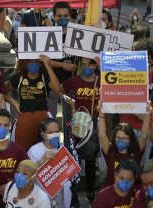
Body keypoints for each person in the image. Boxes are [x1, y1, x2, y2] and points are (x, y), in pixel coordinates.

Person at [60, 57, 100, 201]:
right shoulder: (75, 80)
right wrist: (70, 102)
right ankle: (73, 193)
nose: (85, 67)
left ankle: (90, 193)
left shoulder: (102, 81)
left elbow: (114, 89)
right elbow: (58, 89)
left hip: (94, 125)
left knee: (90, 160)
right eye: (82, 65)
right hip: (77, 123)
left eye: (89, 64)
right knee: (74, 159)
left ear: (95, 66)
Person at [4, 55, 60, 150]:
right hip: (24, 118)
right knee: (22, 149)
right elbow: (3, 93)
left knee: (46, 148)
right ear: (25, 63)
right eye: (30, 61)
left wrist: (48, 66)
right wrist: (15, 103)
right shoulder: (19, 77)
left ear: (40, 64)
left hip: (43, 118)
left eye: (36, 62)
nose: (33, 64)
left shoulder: (44, 77)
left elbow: (57, 88)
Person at [97, 101, 151, 186]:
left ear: (131, 139)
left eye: (125, 138)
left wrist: (147, 116)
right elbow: (102, 135)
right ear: (114, 138)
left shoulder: (136, 151)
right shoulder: (110, 151)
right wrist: (101, 115)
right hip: (112, 193)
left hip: (132, 194)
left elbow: (144, 136)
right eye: (118, 138)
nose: (121, 141)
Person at [27, 118, 72, 208]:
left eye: (57, 131)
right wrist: (42, 161)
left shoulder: (63, 148)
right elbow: (28, 176)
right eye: (51, 132)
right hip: (42, 195)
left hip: (61, 196)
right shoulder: (34, 150)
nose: (55, 134)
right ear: (43, 134)